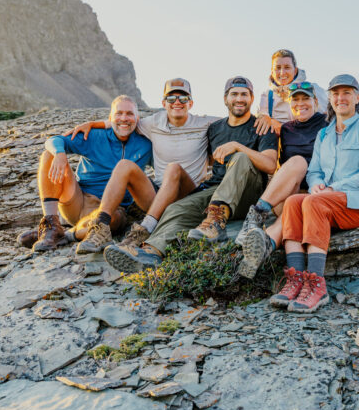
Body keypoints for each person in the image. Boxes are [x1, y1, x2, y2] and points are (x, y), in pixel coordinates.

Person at [105, 76, 278, 272]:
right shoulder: (214, 128)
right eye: (234, 94)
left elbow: (271, 165)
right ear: (225, 99)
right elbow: (127, 122)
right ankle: (151, 252)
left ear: (252, 98)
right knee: (176, 209)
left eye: (244, 95)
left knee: (240, 158)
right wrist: (93, 124)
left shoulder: (262, 127)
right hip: (216, 190)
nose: (239, 99)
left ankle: (215, 223)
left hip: (248, 194)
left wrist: (237, 146)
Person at [270, 74, 359, 314]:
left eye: (346, 93)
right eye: (335, 93)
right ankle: (295, 279)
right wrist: (316, 185)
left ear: (357, 97)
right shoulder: (323, 135)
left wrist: (332, 189)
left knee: (314, 203)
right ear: (329, 100)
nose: (340, 98)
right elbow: (314, 171)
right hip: (328, 201)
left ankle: (316, 284)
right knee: (293, 202)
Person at [67, 78, 218, 256]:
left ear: (190, 103)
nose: (177, 102)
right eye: (171, 99)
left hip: (189, 196)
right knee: (124, 165)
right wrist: (93, 124)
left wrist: (261, 117)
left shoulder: (205, 123)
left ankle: (143, 230)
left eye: (183, 98)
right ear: (164, 103)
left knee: (174, 168)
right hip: (158, 196)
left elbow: (236, 120)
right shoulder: (152, 123)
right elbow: (123, 122)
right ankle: (101, 226)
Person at [23, 95, 152, 252]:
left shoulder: (145, 145)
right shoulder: (94, 135)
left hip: (111, 208)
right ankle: (51, 225)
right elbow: (54, 140)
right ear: (110, 118)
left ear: (137, 118)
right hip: (79, 200)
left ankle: (67, 234)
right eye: (119, 113)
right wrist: (60, 153)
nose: (124, 118)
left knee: (112, 220)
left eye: (129, 114)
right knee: (50, 154)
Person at [236, 81, 328, 278]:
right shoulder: (286, 130)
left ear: (316, 102)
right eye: (296, 100)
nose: (300, 104)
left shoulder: (327, 125)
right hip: (289, 195)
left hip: (316, 196)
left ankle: (264, 246)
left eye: (306, 99)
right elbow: (283, 170)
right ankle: (256, 217)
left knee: (293, 210)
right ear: (289, 104)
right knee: (297, 164)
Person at [254, 48, 327, 136]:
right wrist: (267, 119)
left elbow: (329, 116)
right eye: (278, 68)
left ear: (295, 70)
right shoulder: (265, 97)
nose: (282, 73)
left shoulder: (313, 89)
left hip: (312, 143)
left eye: (287, 67)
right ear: (272, 71)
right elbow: (259, 121)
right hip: (283, 146)